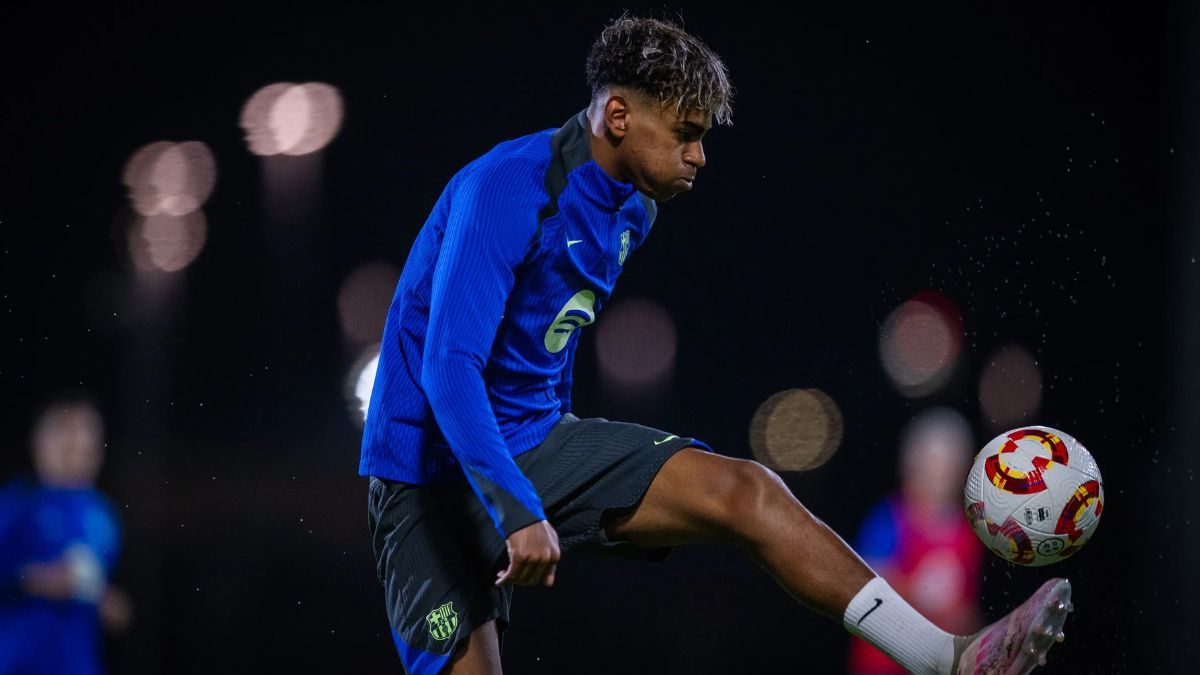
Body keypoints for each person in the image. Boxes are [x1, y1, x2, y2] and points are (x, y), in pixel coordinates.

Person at [359, 14, 1072, 675]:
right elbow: (448, 370)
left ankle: (946, 657)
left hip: (531, 443)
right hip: (425, 479)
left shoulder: (634, 208)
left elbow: (543, 338)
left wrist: (556, 477)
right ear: (617, 115)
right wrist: (517, 506)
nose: (699, 155)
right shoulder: (505, 189)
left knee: (748, 489)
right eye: (685, 132)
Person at [0, 391, 131, 675]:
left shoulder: (103, 516)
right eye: (67, 443)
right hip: (17, 663)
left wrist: (108, 603)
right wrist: (33, 580)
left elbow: (97, 590)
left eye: (86, 447)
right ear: (40, 445)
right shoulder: (15, 506)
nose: (78, 455)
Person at [849, 408, 985, 674]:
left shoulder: (968, 531)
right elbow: (862, 586)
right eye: (935, 463)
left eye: (950, 463)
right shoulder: (890, 519)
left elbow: (965, 609)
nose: (942, 474)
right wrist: (920, 592)